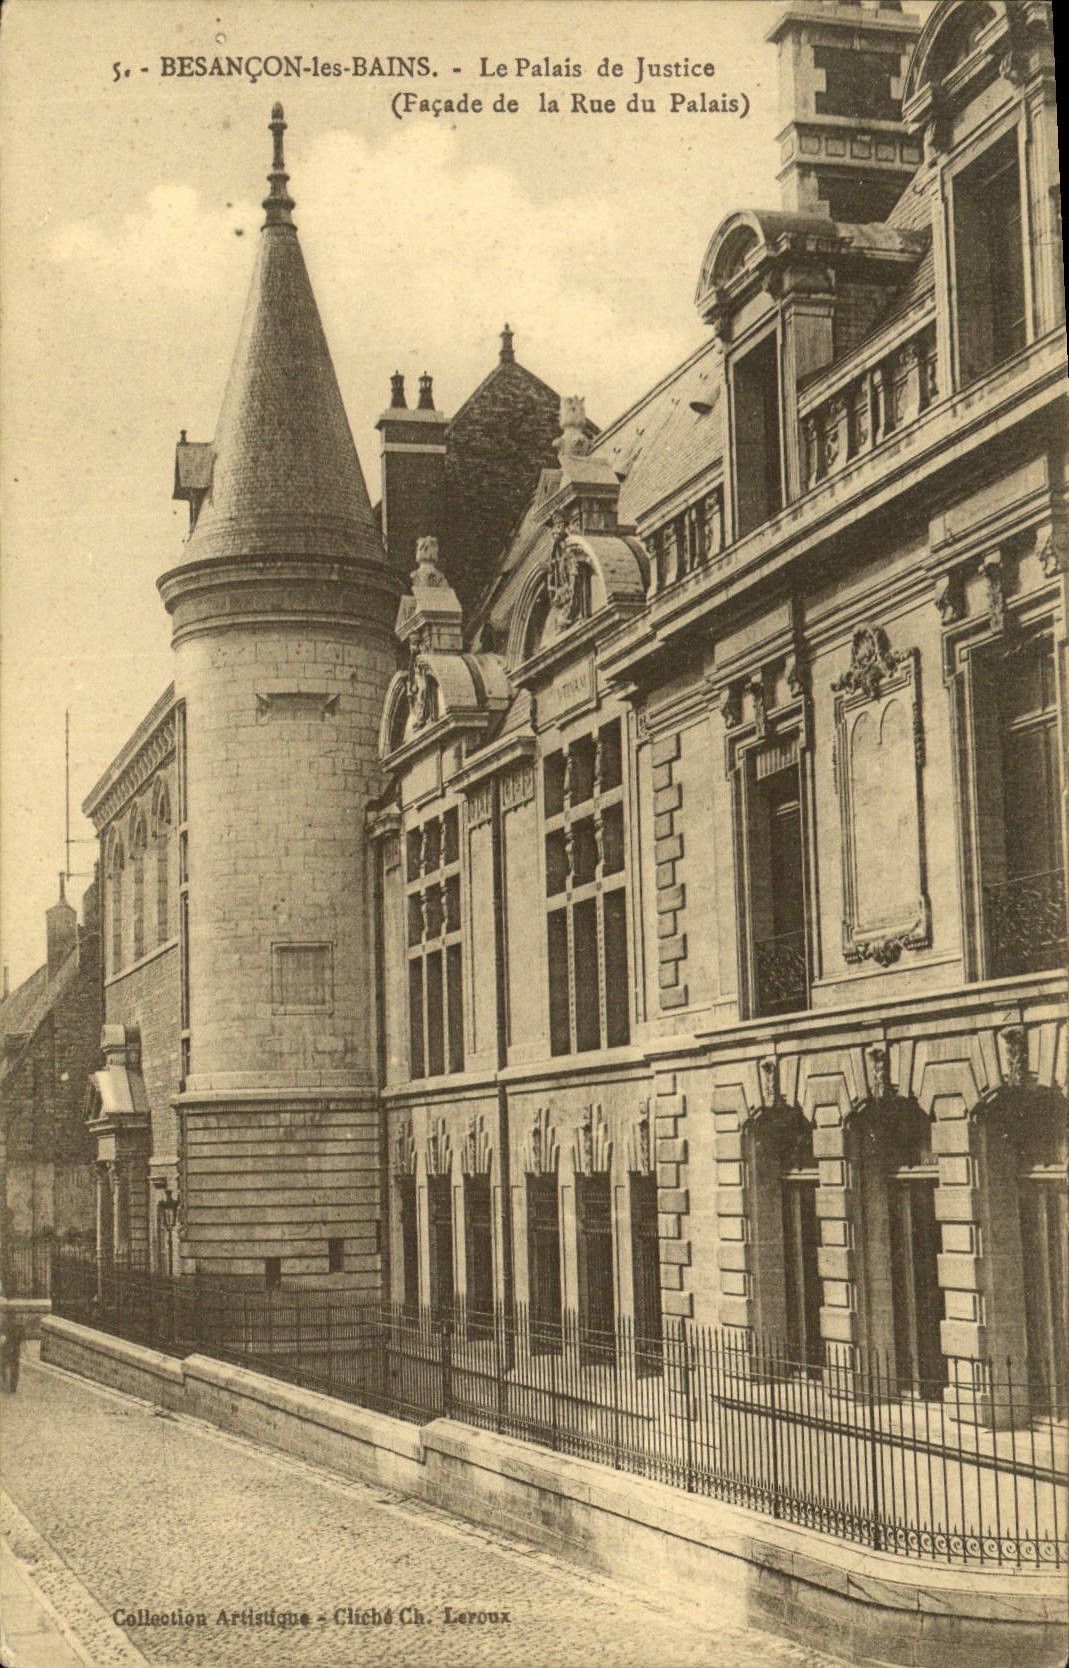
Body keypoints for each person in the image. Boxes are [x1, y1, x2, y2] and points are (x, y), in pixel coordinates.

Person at [0, 1299, 23, 1393]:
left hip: (6, 1347)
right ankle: (13, 1386)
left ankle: (5, 1381)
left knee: (3, 1364)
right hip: (15, 1348)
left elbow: (2, 1335)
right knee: (14, 1366)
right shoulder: (19, 1324)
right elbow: (22, 1336)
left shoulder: (4, 1324)